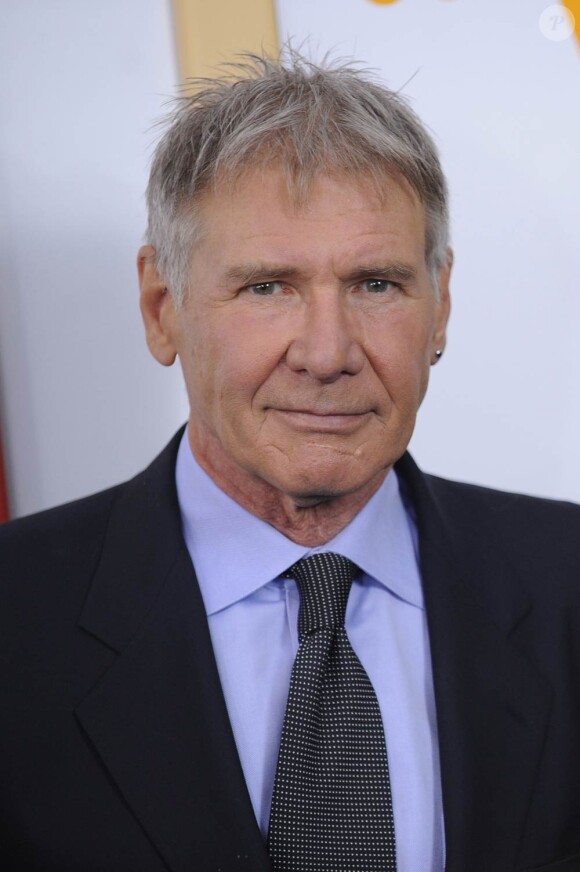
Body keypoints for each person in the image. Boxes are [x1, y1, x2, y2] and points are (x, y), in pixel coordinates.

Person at [1, 51, 579, 872]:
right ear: (163, 309)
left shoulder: (567, 584)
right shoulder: (15, 614)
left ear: (440, 305)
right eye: (268, 287)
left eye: (376, 284)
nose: (327, 352)